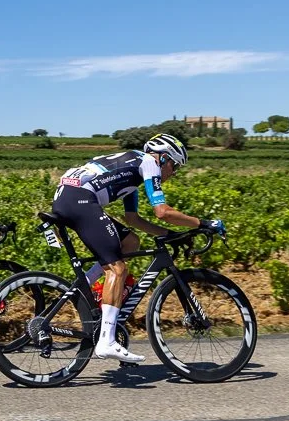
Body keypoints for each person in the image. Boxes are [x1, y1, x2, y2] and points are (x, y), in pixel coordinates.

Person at [51, 133, 225, 363]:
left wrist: (169, 235)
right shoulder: (149, 162)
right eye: (175, 166)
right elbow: (162, 211)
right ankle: (106, 341)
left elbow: (132, 219)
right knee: (117, 269)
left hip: (69, 197)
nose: (174, 173)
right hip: (80, 199)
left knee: (130, 242)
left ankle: (83, 288)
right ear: (163, 158)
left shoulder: (132, 168)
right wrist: (203, 223)